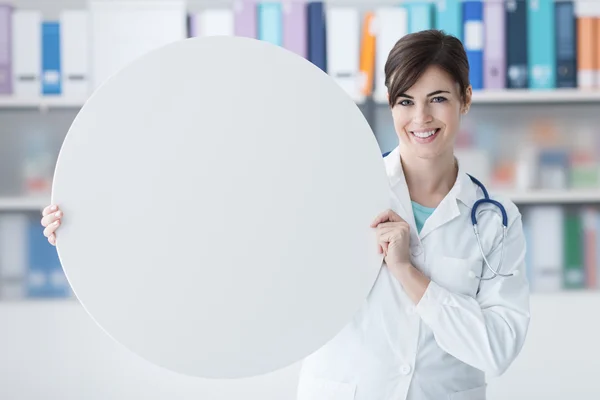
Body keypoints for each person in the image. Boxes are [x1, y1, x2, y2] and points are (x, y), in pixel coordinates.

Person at [41, 29, 530, 400]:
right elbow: (218, 221)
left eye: (438, 99)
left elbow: (497, 349)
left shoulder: (496, 220)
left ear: (465, 99)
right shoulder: (336, 184)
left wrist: (407, 272)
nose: (421, 118)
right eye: (406, 101)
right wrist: (90, 225)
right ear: (391, 105)